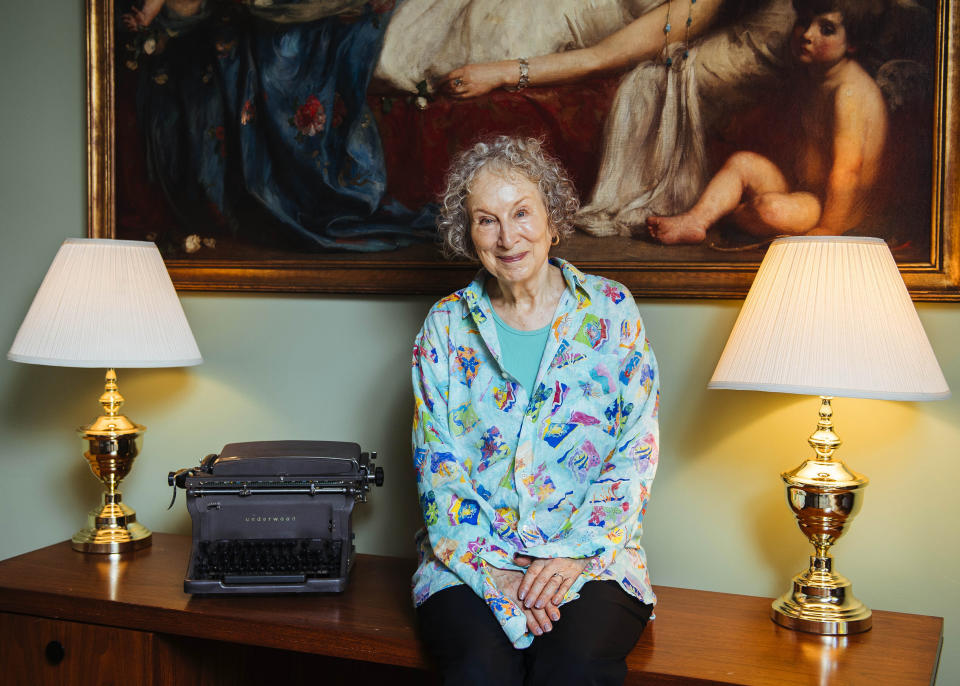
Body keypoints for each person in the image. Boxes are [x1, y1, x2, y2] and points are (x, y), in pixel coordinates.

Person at [411, 136, 660, 685]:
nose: (507, 237)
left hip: (592, 562)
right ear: (467, 233)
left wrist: (569, 557)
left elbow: (634, 454)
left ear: (552, 217)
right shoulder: (446, 326)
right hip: (472, 563)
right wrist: (494, 577)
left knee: (571, 670)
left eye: (522, 212)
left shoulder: (612, 310)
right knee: (479, 671)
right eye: (486, 220)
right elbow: (438, 469)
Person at [647, 0, 888, 244]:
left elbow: (848, 171)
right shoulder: (817, 75)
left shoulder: (849, 93)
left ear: (854, 43)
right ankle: (695, 220)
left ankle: (725, 216)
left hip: (832, 209)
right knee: (742, 163)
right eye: (804, 22)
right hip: (804, 193)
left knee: (769, 209)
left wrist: (829, 228)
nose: (807, 35)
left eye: (826, 30)